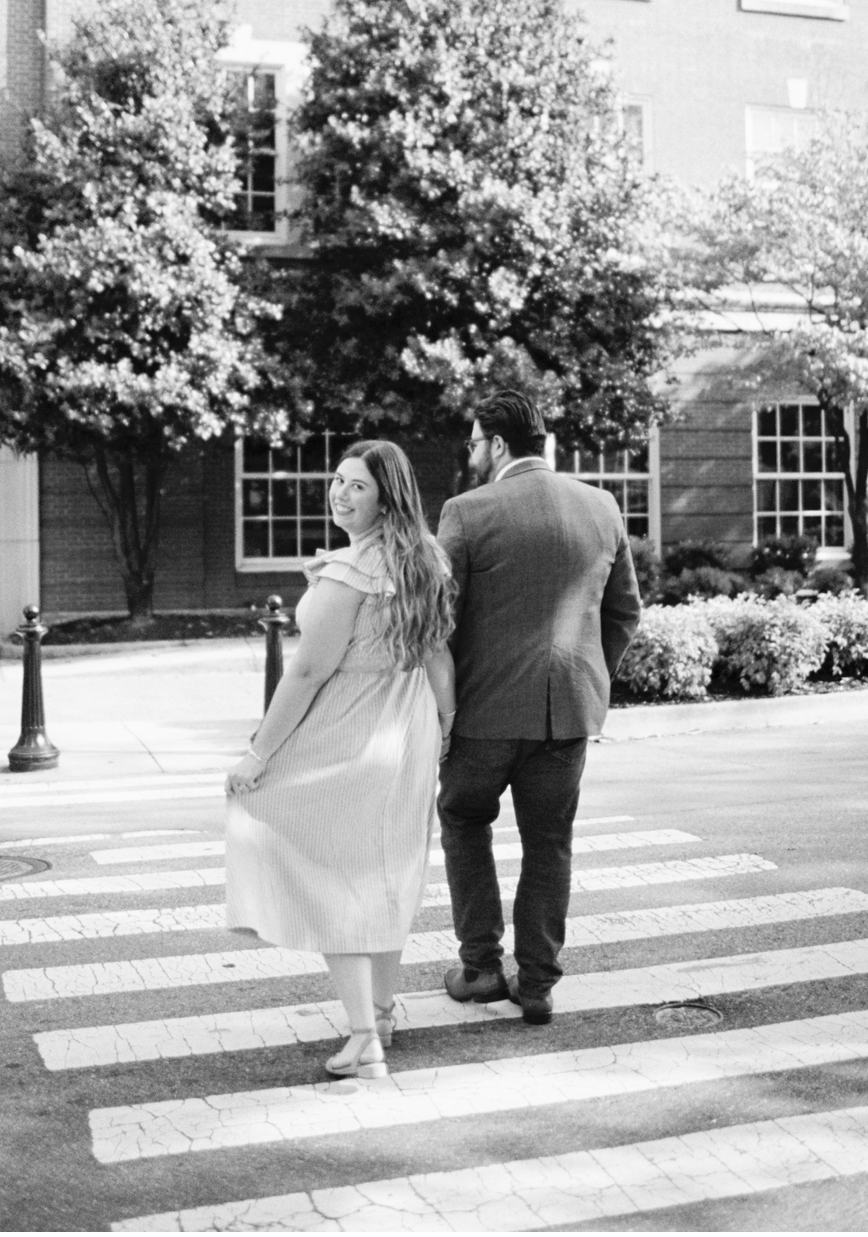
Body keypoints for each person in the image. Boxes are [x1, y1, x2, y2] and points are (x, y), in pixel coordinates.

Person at [225, 440, 456, 1079]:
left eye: (356, 485)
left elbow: (306, 674)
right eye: (337, 480)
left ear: (386, 497)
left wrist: (258, 753)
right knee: (384, 873)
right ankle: (379, 1012)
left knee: (331, 874)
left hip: (349, 730)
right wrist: (443, 727)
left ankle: (363, 1040)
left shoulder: (351, 573)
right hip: (404, 732)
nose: (339, 492)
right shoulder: (422, 561)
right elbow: (438, 656)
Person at [436, 390, 642, 1024]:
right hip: (568, 713)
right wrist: (586, 676)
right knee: (549, 842)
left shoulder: (465, 513)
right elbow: (625, 613)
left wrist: (442, 709)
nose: (471, 454)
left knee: (463, 819)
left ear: (497, 445)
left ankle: (480, 967)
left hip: (481, 714)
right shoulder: (601, 506)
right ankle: (539, 984)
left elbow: (439, 622)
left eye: (473, 443)